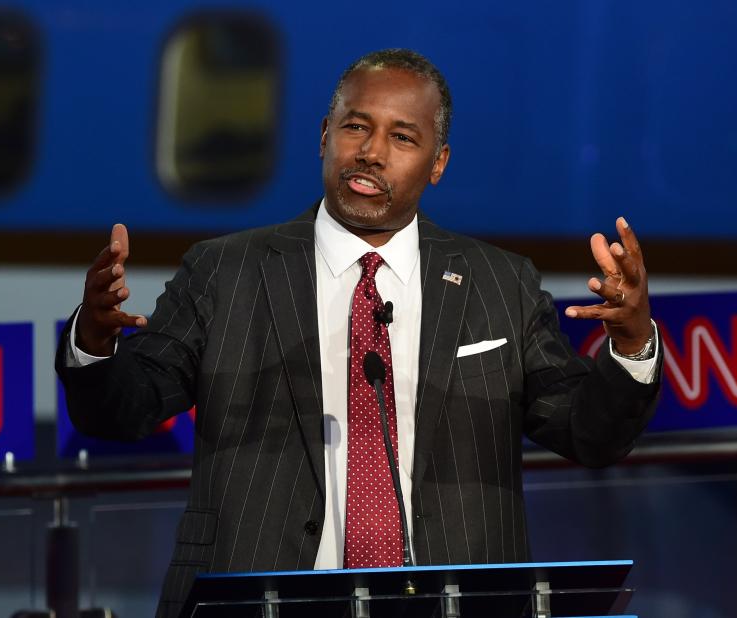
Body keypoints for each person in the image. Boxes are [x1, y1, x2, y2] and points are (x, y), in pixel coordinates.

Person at [56, 49, 661, 617]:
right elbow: (123, 413)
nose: (372, 152)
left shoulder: (499, 284)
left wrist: (632, 343)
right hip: (258, 598)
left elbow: (590, 435)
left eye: (402, 137)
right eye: (356, 127)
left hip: (452, 602)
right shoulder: (227, 271)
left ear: (438, 162)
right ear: (324, 135)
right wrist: (96, 341)